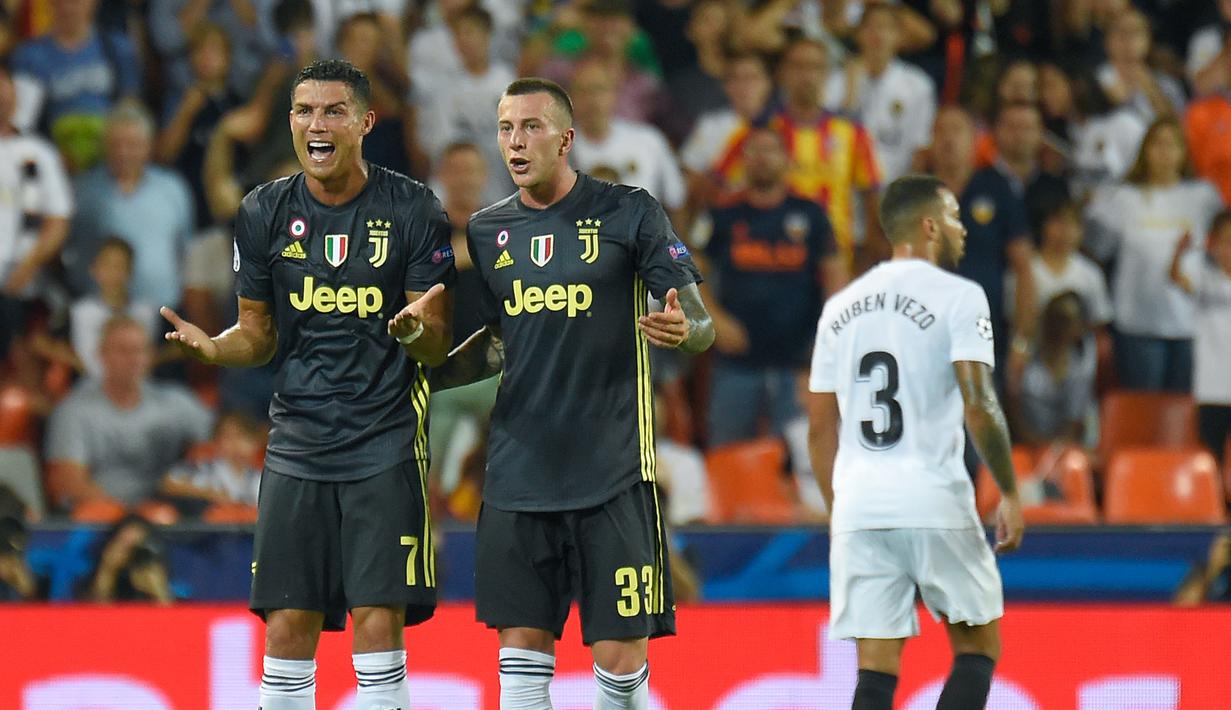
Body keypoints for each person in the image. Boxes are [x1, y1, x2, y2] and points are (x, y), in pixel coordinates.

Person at [160, 59, 455, 710]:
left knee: (377, 620)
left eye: (331, 111)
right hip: (297, 444)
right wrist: (214, 347)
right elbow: (257, 335)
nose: (315, 124)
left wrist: (415, 332)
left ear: (364, 123)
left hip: (385, 443)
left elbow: (436, 341)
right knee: (288, 623)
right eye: (303, 111)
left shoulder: (412, 208)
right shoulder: (263, 211)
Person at [432, 77, 714, 710]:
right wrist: (425, 367)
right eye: (506, 128)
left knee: (619, 666)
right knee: (522, 668)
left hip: (612, 473)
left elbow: (700, 323)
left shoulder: (630, 210)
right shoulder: (487, 230)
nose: (515, 141)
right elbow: (504, 341)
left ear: (565, 138)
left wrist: (683, 329)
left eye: (530, 127)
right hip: (516, 477)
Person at [807, 174, 1024, 710]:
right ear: (929, 226)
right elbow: (980, 402)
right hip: (932, 495)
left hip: (860, 503)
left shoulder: (840, 306)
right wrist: (1012, 491)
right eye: (953, 217)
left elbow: (818, 428)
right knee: (978, 646)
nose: (962, 229)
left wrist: (842, 513)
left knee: (876, 668)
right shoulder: (960, 295)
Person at [44, 316, 215, 517]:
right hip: (102, 520)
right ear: (101, 354)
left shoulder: (176, 402)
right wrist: (129, 517)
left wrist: (196, 468)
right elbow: (69, 483)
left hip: (170, 512)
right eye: (123, 351)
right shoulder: (74, 410)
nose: (133, 358)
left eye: (139, 350)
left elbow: (223, 445)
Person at [1169, 216, 1231, 468]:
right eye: (1226, 242)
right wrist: (1179, 252)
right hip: (1212, 386)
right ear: (1212, 244)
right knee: (1211, 454)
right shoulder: (1203, 276)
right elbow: (1176, 277)